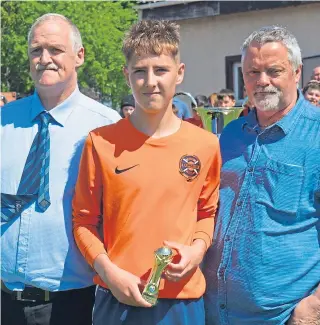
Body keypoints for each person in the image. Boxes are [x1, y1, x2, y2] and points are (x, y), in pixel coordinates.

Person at [72, 19, 221, 325]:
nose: (150, 81)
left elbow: (206, 211)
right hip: (117, 299)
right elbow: (83, 222)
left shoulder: (205, 144)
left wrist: (197, 250)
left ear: (179, 73)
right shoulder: (100, 142)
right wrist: (108, 272)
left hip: (182, 302)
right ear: (127, 76)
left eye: (161, 70)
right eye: (140, 71)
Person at [1, 13, 120, 325]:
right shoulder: (3, 122)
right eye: (36, 51)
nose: (44, 59)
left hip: (72, 305)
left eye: (55, 49)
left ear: (79, 55)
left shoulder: (108, 128)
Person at [203, 25, 320, 325]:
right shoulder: (229, 137)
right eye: (252, 73)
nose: (262, 81)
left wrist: (315, 307)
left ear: (296, 72)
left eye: (273, 71)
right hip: (213, 313)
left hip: (283, 317)